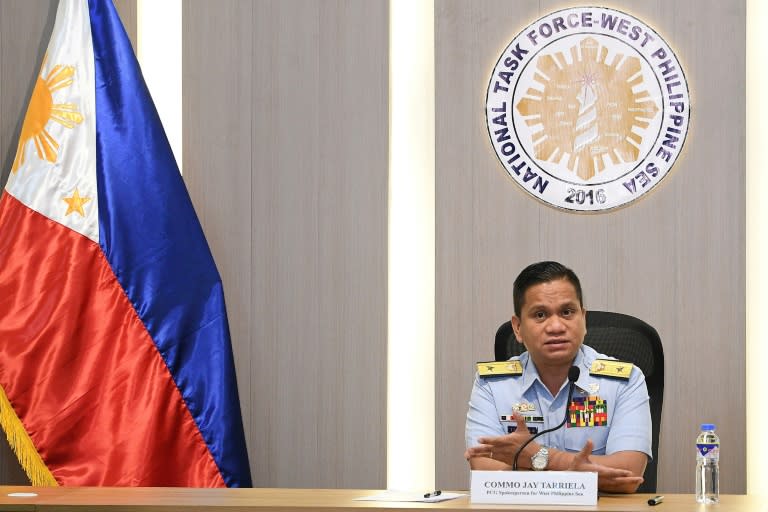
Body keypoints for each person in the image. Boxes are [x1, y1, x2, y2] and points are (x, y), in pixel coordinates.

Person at [464, 261, 651, 493]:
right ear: (518, 328)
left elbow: (628, 474)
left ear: (583, 319)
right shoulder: (492, 384)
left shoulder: (625, 380)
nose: (556, 326)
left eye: (567, 312)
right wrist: (581, 471)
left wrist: (534, 456)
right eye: (540, 315)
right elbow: (485, 473)